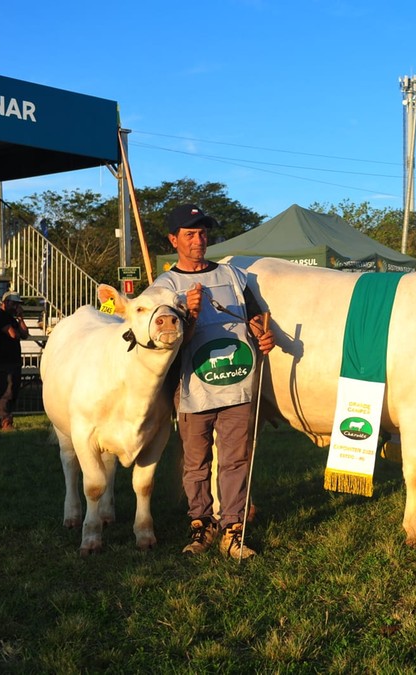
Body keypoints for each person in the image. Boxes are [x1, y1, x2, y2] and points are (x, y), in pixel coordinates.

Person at [152, 204, 275, 559]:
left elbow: (256, 317)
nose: (198, 240)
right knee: (196, 463)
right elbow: (167, 345)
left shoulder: (233, 276)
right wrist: (189, 315)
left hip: (237, 384)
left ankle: (233, 529)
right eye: (190, 234)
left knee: (236, 460)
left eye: (203, 233)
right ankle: (201, 524)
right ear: (173, 240)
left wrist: (263, 335)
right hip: (193, 389)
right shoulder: (165, 287)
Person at [0, 291, 30, 431]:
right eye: (14, 303)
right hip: (2, 361)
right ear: (5, 303)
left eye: (18, 304)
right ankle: (5, 421)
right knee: (5, 391)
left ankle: (4, 420)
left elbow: (24, 334)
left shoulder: (11, 318)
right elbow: (13, 335)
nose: (16, 307)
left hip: (13, 360)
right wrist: (17, 329)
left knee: (13, 390)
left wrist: (21, 319)